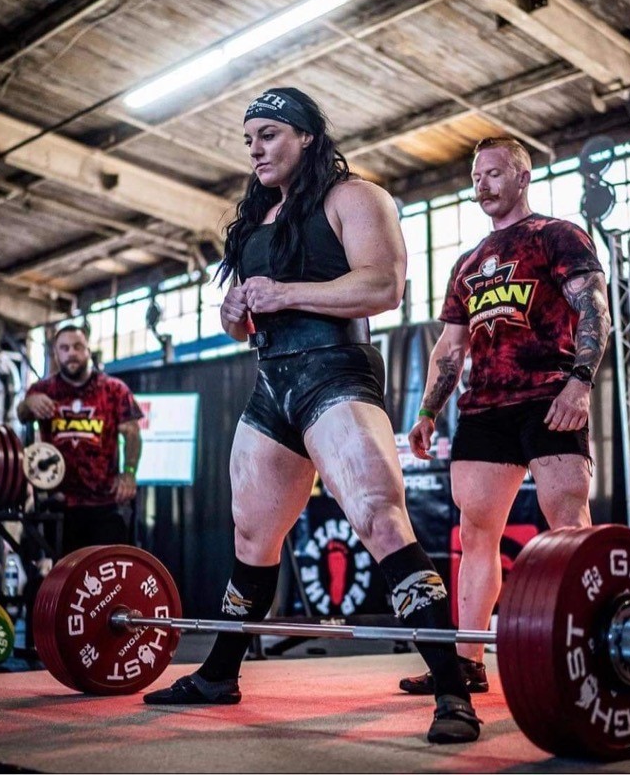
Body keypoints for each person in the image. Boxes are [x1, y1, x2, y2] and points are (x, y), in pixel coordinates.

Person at [142, 87, 479, 744]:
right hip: (273, 383)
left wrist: (286, 292)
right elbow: (243, 318)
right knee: (250, 541)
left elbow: (383, 286)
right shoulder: (253, 224)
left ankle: (452, 690)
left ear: (305, 136)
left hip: (335, 372)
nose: (256, 149)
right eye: (249, 139)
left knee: (380, 518)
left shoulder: (354, 197)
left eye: (268, 134)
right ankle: (218, 673)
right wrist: (235, 313)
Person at [399, 136, 612, 696]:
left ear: (521, 176)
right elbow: (450, 349)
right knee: (475, 534)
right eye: (476, 177)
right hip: (485, 406)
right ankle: (467, 661)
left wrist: (580, 383)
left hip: (549, 395)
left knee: (568, 523)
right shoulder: (467, 264)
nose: (482, 185)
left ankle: (592, 650)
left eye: (493, 173)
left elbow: (594, 308)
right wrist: (426, 411)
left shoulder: (556, 235)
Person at [16, 323, 143, 555]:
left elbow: (132, 432)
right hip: (59, 503)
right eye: (64, 348)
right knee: (64, 577)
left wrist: (129, 473)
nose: (71, 353)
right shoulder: (43, 390)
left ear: (87, 350)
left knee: (107, 577)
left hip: (104, 504)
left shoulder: (114, 389)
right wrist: (28, 403)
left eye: (77, 347)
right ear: (56, 354)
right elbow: (21, 415)